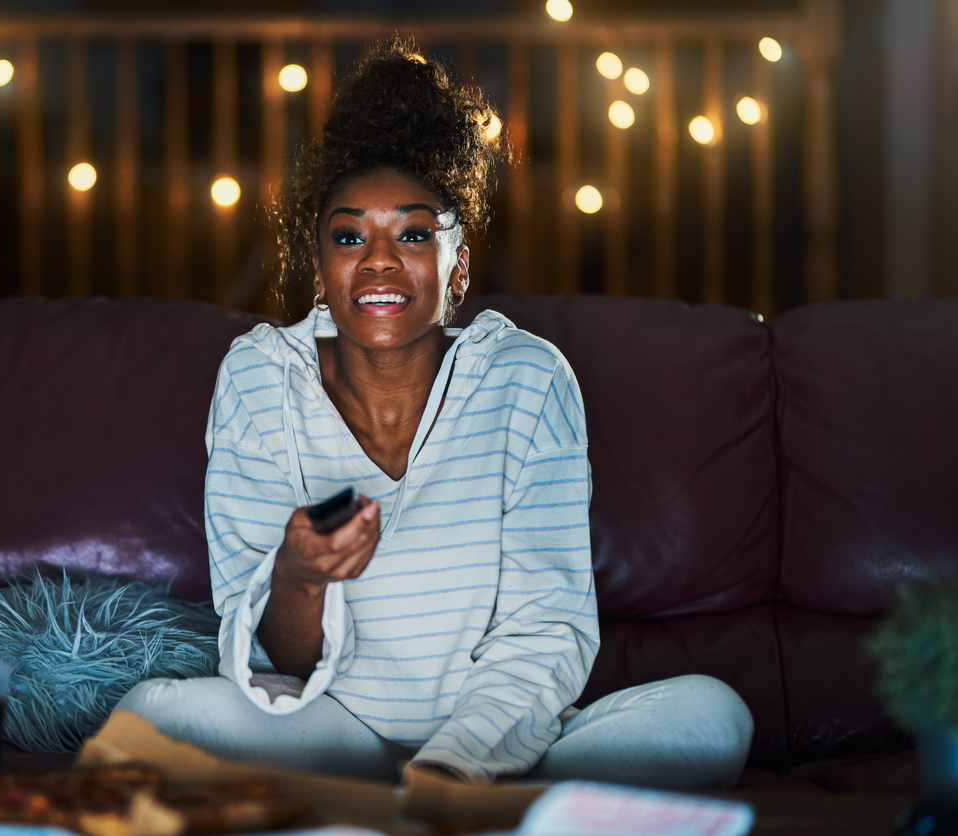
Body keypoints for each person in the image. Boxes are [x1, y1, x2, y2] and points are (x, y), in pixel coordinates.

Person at [119, 39, 753, 788]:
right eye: (349, 236)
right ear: (319, 274)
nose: (380, 260)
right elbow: (272, 662)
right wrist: (298, 575)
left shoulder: (529, 380)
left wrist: (452, 769)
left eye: (414, 234)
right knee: (157, 715)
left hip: (498, 750)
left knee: (713, 714)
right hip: (332, 736)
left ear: (458, 269)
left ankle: (428, 812)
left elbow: (543, 634)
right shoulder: (260, 381)